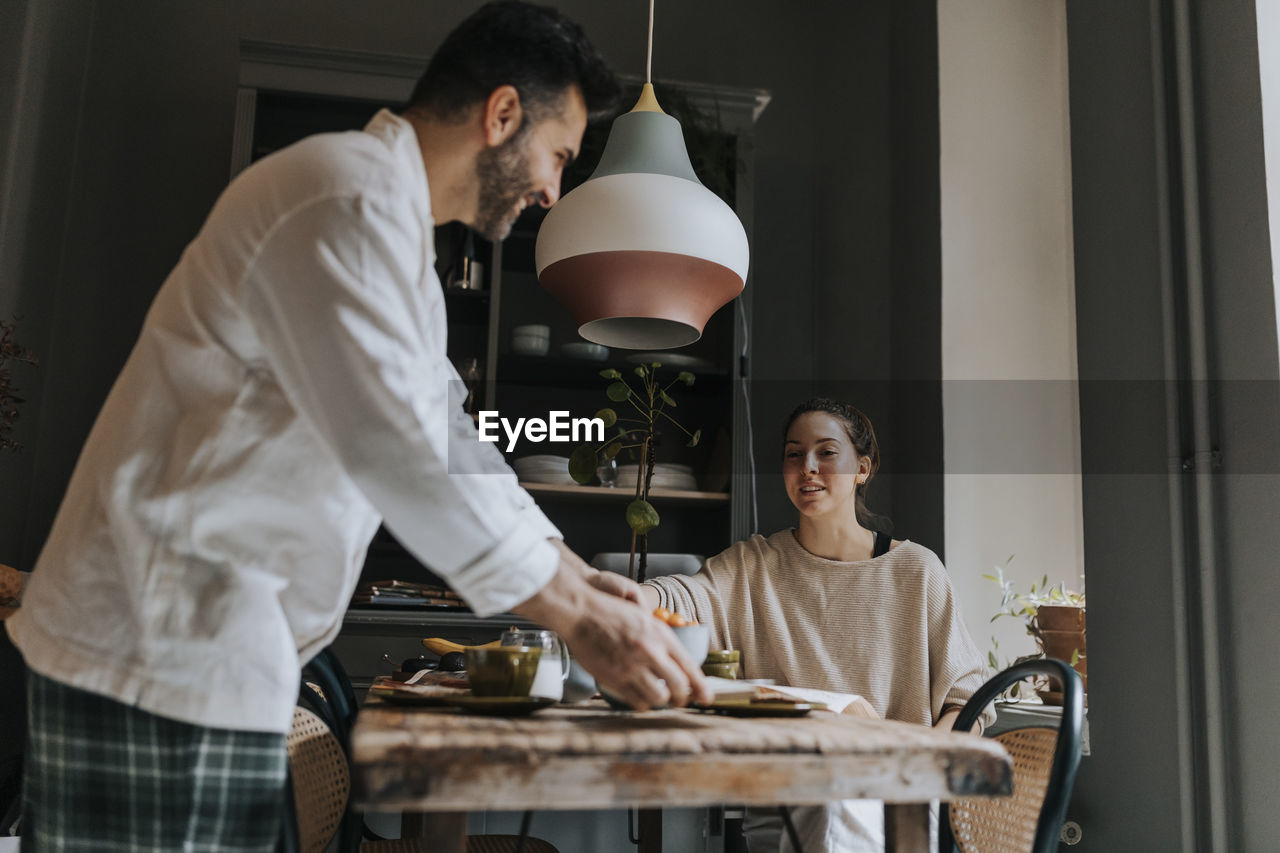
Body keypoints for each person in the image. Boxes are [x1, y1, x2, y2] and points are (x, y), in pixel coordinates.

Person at [6, 3, 709, 849]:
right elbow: (400, 447)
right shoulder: (341, 196)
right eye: (559, 155)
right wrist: (582, 621)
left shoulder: (393, 234)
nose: (553, 190)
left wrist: (581, 579)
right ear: (503, 115)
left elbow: (448, 436)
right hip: (156, 654)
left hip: (205, 660)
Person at [640, 397, 994, 853]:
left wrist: (918, 767)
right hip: (789, 805)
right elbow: (682, 597)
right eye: (794, 454)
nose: (807, 467)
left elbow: (968, 700)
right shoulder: (754, 566)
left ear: (862, 469)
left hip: (900, 805)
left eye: (826, 453)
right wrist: (630, 596)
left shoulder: (916, 570)